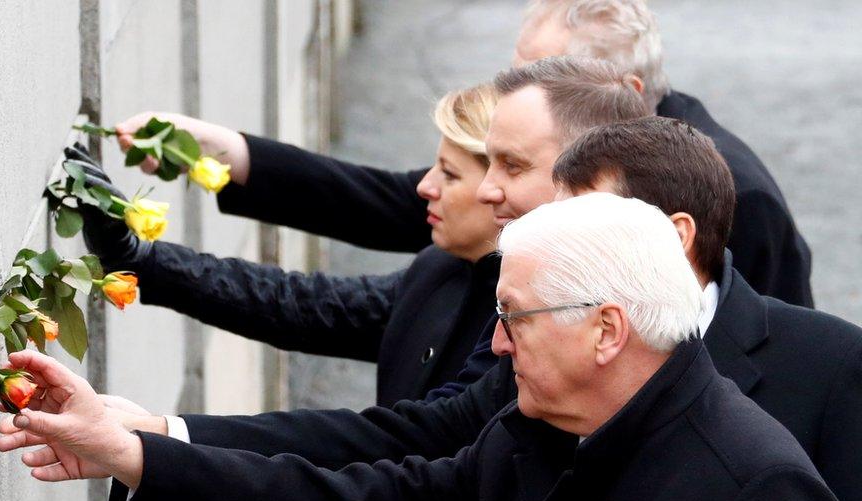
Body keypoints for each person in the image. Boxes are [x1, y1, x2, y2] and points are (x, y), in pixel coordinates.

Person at [3, 114, 862, 501]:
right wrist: (135, 450)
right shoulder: (534, 432)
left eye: (516, 319)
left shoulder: (760, 488)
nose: (493, 345)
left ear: (607, 330)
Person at [115, 0, 813, 307]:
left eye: (543, 77)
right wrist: (226, 152)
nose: (510, 92)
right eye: (514, 68)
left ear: (627, 91)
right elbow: (403, 202)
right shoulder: (584, 137)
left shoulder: (733, 196)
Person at [68, 84, 504, 407]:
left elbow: (381, 452)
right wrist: (141, 259)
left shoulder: (513, 341)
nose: (424, 187)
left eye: (448, 173)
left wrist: (153, 438)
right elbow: (304, 303)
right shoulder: (441, 270)